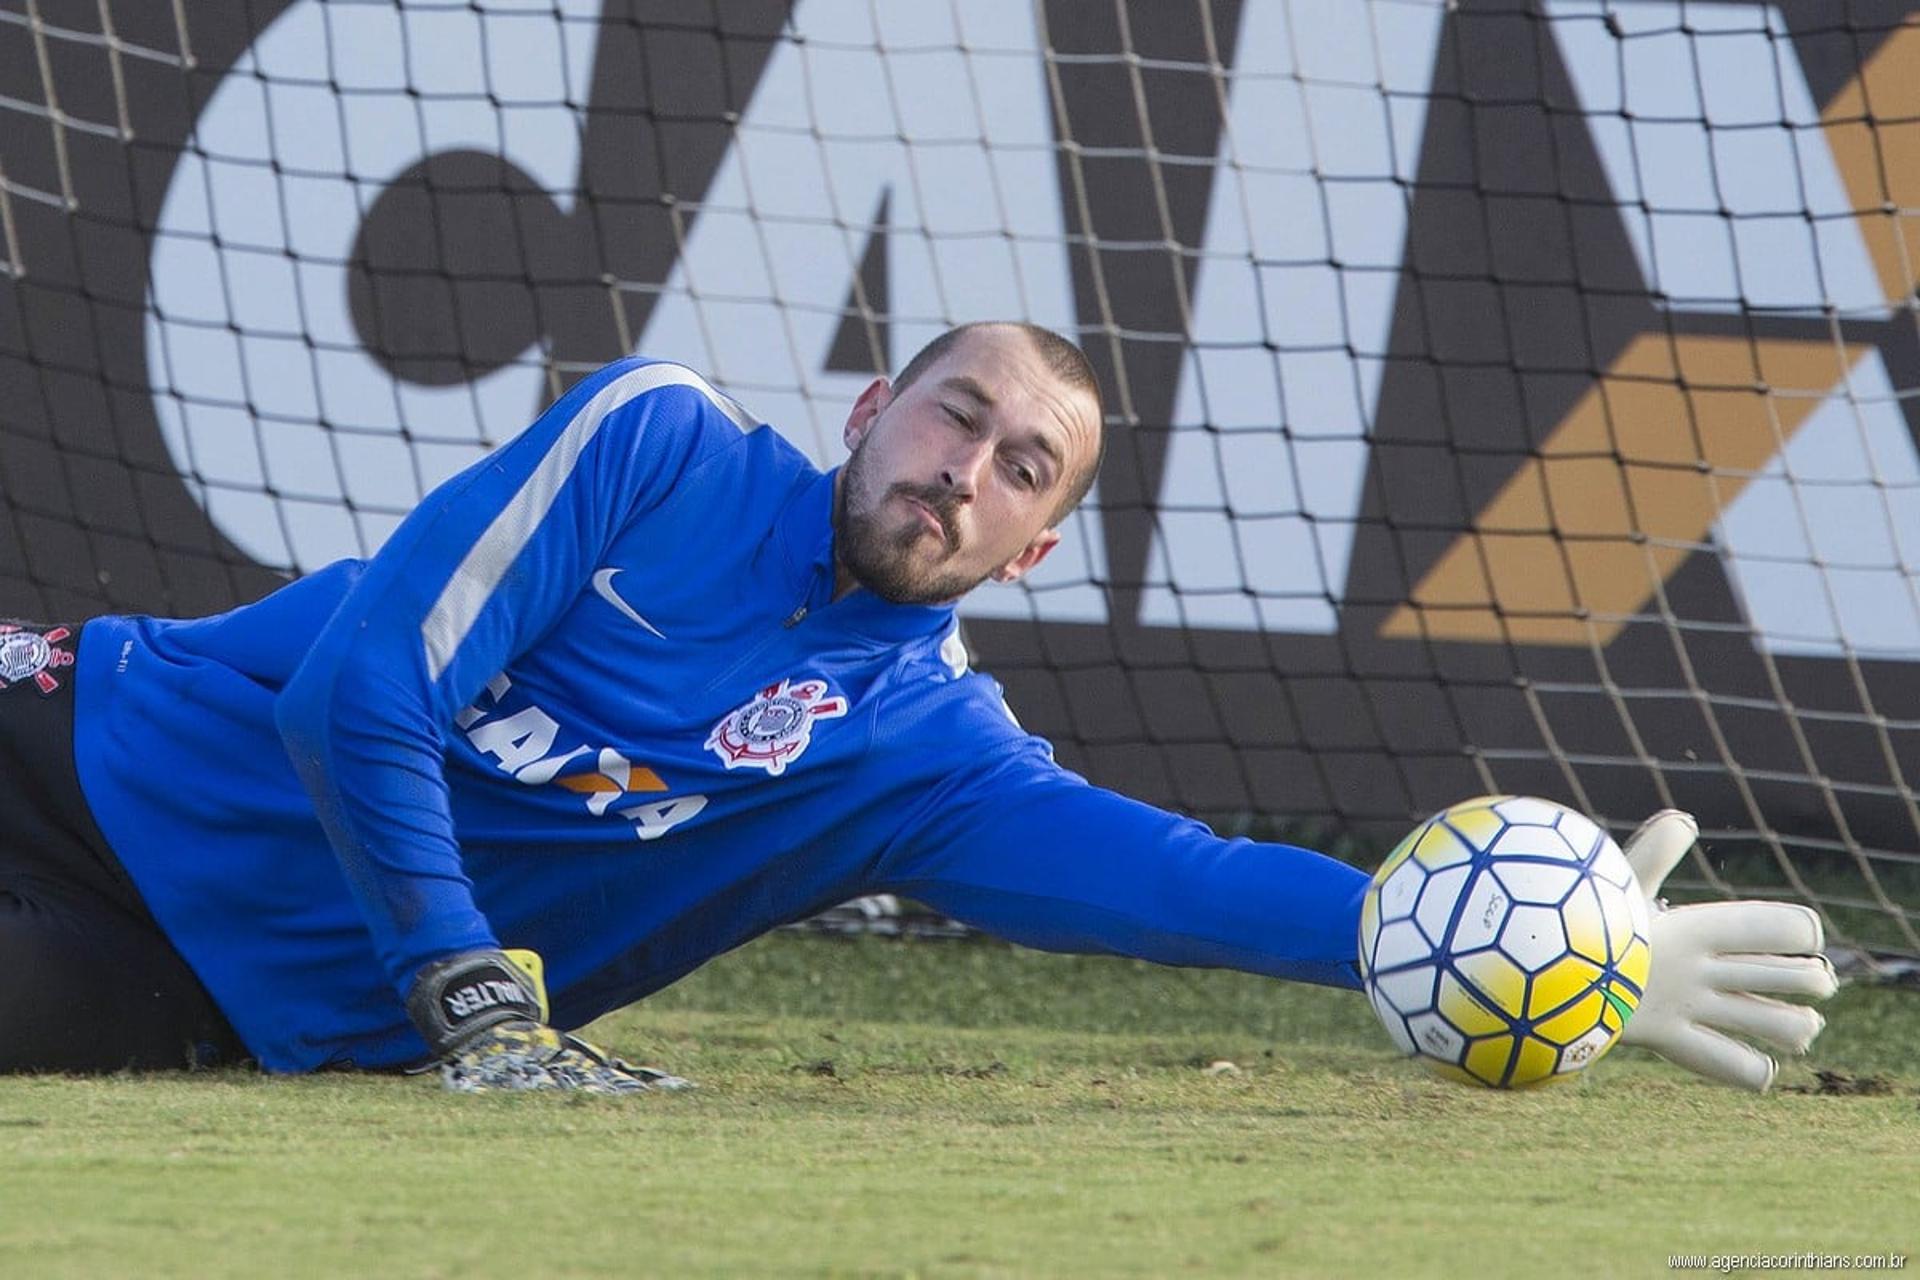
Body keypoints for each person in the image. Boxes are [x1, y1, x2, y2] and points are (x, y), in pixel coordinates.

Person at [0, 323, 1835, 1092]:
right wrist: (478, 997)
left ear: (1036, 547)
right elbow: (358, 697)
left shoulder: (926, 765)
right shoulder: (661, 447)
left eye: (1023, 467)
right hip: (85, 747)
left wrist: (1521, 950)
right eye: (955, 415)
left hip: (205, 987)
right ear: (872, 404)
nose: (968, 469)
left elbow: (1179, 881)